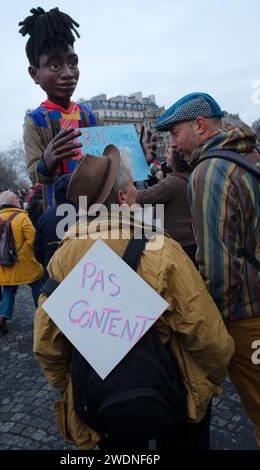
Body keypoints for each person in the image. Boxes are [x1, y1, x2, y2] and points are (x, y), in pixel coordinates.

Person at [33, 145, 234, 450]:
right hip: (173, 388)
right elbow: (206, 333)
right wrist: (207, 381)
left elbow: (47, 345)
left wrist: (73, 386)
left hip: (102, 401)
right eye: (132, 188)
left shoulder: (63, 258)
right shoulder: (160, 249)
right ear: (121, 198)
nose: (137, 194)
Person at [155, 92, 260, 446]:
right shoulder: (248, 155)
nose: (173, 144)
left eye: (174, 134)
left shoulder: (208, 171)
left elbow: (218, 268)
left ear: (199, 126)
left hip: (248, 316)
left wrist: (210, 333)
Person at [19, 6, 103, 208]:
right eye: (55, 65)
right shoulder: (36, 120)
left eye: (73, 63)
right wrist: (46, 163)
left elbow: (108, 159)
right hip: (60, 213)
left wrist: (134, 156)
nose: (68, 73)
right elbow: (35, 175)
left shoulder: (88, 116)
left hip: (96, 206)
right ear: (34, 74)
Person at [0, 191, 43, 334]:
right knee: (37, 285)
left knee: (9, 289)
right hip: (24, 262)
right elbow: (32, 239)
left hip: (4, 262)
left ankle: (2, 317)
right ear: (13, 202)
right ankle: (43, 314)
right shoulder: (22, 217)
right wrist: (21, 252)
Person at [137, 147, 197, 265]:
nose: (165, 155)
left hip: (177, 244)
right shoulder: (189, 176)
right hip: (190, 241)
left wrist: (127, 191)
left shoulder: (172, 183)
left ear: (176, 158)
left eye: (168, 153)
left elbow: (143, 198)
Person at [34, 174, 73, 282]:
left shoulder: (45, 217)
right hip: (81, 277)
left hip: (53, 278)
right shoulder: (88, 215)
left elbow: (38, 252)